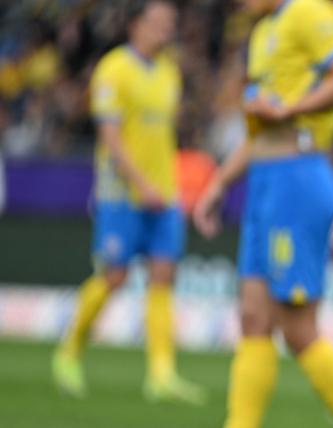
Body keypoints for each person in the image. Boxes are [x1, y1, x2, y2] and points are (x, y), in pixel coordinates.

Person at [191, 0, 333, 426]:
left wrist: (291, 109)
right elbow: (260, 131)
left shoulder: (310, 12)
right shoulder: (260, 33)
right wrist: (219, 183)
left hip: (298, 179)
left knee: (297, 328)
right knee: (253, 318)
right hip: (264, 181)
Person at [52, 0, 204, 404]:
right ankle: (69, 351)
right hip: (122, 194)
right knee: (114, 277)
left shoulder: (170, 72)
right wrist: (141, 184)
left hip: (164, 192)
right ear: (136, 24)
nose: (165, 30)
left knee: (163, 275)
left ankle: (161, 374)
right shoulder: (114, 69)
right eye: (158, 22)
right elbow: (111, 136)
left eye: (169, 23)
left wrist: (165, 185)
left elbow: (164, 135)